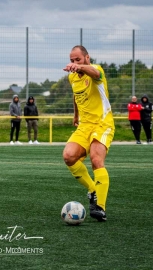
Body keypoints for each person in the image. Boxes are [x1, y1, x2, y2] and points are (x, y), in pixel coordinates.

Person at [62, 45, 115, 222]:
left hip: (102, 123)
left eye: (78, 59)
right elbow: (76, 96)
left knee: (96, 158)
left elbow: (95, 73)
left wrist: (81, 67)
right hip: (84, 126)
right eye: (72, 60)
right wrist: (75, 114)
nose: (74, 63)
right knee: (69, 156)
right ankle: (92, 189)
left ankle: (100, 207)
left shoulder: (96, 70)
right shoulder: (72, 77)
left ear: (87, 57)